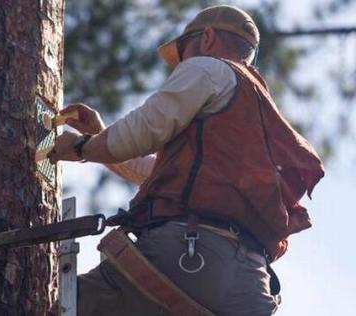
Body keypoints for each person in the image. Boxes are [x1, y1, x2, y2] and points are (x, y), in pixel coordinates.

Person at [48, 5, 324, 315]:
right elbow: (161, 172)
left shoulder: (209, 68)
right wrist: (100, 136)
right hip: (252, 287)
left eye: (183, 52)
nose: (181, 65)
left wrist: (83, 147)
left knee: (63, 306)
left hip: (190, 254)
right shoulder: (254, 119)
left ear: (206, 38)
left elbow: (144, 129)